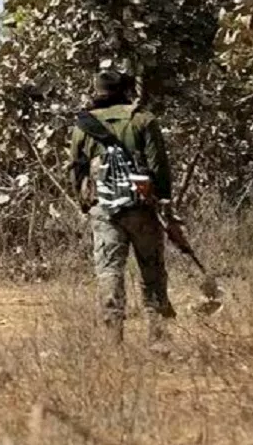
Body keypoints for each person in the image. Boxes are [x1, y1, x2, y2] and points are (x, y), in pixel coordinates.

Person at [69, 71, 176, 346]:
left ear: (97, 91)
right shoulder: (143, 119)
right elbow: (159, 167)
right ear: (125, 90)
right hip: (142, 208)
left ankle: (112, 341)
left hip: (104, 210)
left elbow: (76, 169)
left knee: (109, 272)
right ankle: (159, 341)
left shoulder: (84, 125)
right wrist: (162, 201)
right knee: (152, 272)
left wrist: (85, 204)